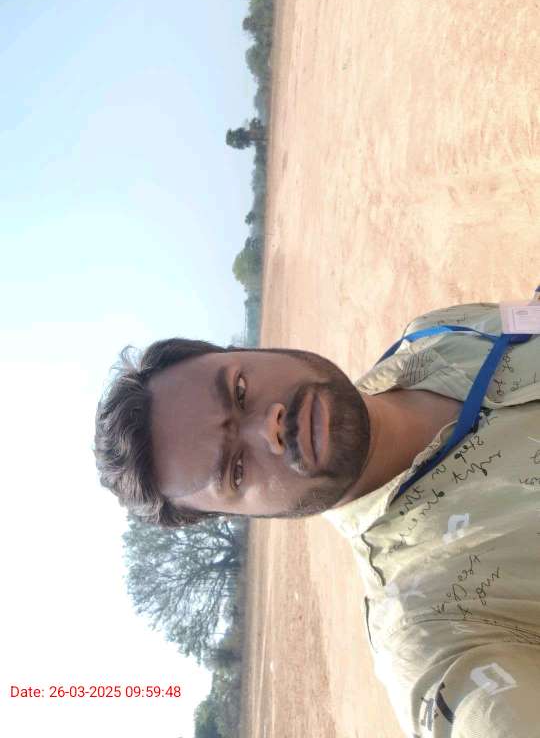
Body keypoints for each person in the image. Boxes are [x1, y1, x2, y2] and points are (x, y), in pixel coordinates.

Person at [94, 296, 540, 737]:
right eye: (236, 470)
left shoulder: (437, 332)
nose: (268, 427)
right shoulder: (429, 628)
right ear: (242, 515)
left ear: (248, 350)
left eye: (239, 391)